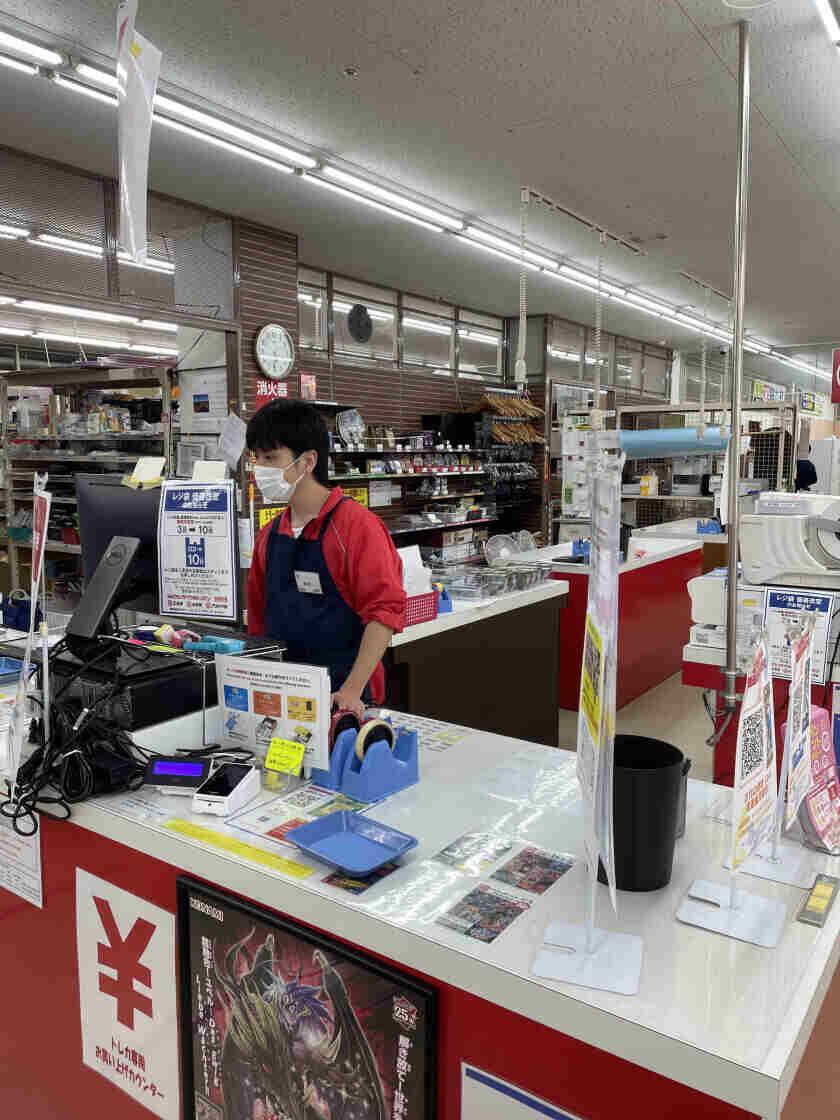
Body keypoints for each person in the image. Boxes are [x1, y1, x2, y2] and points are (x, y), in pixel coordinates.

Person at [246, 399, 406, 719]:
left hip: (348, 700)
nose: (259, 470)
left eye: (270, 458)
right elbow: (259, 622)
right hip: (287, 696)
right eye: (255, 459)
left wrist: (351, 689)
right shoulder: (269, 536)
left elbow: (384, 613)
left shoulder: (357, 527)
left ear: (307, 461)